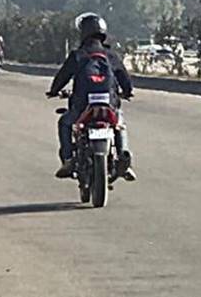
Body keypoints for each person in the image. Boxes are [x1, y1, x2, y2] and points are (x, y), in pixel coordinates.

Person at [46, 13, 135, 181]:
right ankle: (124, 159)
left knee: (64, 123)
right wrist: (128, 92)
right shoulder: (111, 55)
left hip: (82, 106)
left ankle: (68, 159)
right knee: (119, 123)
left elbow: (62, 76)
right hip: (109, 103)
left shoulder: (78, 55)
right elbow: (124, 78)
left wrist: (54, 91)